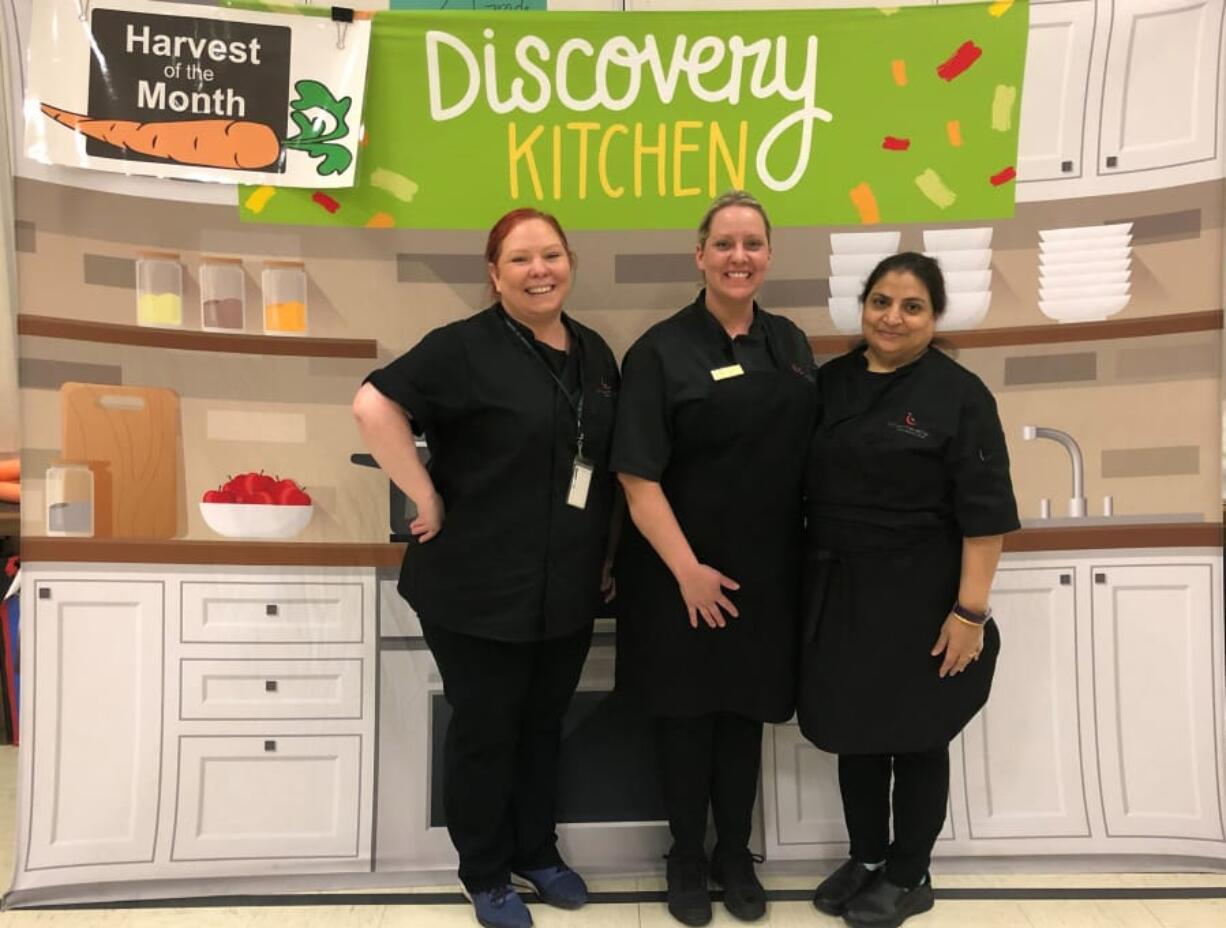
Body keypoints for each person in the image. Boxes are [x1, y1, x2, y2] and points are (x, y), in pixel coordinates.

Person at [352, 208, 620, 928]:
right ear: (494, 274)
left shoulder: (595, 354)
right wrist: (424, 491)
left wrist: (605, 556)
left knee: (543, 726)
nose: (541, 271)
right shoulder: (462, 348)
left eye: (553, 255)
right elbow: (372, 403)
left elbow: (596, 465)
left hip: (564, 585)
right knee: (486, 728)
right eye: (522, 259)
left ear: (570, 263)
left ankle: (537, 851)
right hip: (475, 585)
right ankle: (485, 872)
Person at [610, 191, 818, 927]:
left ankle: (736, 853)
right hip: (676, 575)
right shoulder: (660, 351)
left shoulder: (791, 345)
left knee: (744, 719)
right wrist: (688, 572)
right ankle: (686, 858)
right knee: (685, 720)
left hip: (766, 575)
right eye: (725, 243)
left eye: (753, 244)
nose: (740, 257)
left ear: (768, 255)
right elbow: (637, 478)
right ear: (699, 256)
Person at [800, 252, 1019, 928]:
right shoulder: (828, 383)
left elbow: (985, 518)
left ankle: (910, 870)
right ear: (862, 307)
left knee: (918, 735)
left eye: (912, 305)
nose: (892, 317)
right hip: (839, 588)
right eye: (881, 302)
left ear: (934, 316)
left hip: (925, 595)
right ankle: (867, 856)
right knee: (854, 730)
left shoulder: (959, 395)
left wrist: (969, 613)